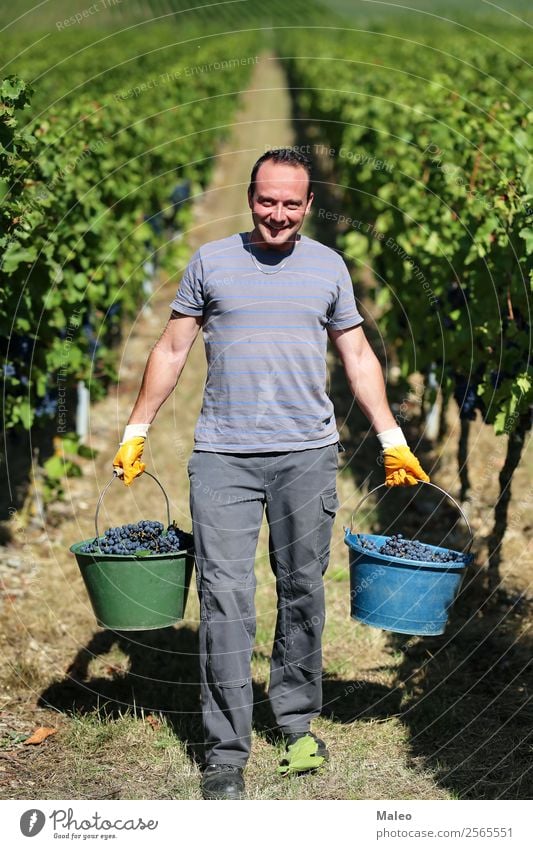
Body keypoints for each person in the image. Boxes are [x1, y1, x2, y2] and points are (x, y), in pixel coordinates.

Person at [112, 148, 430, 800]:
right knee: (225, 603)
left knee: (301, 595)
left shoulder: (328, 267)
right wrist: (136, 428)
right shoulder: (211, 261)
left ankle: (294, 722)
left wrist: (392, 437)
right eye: (266, 200)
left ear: (308, 205)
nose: (277, 213)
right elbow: (173, 347)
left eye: (290, 203)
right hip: (223, 456)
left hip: (306, 456)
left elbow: (357, 353)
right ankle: (225, 752)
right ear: (250, 196)